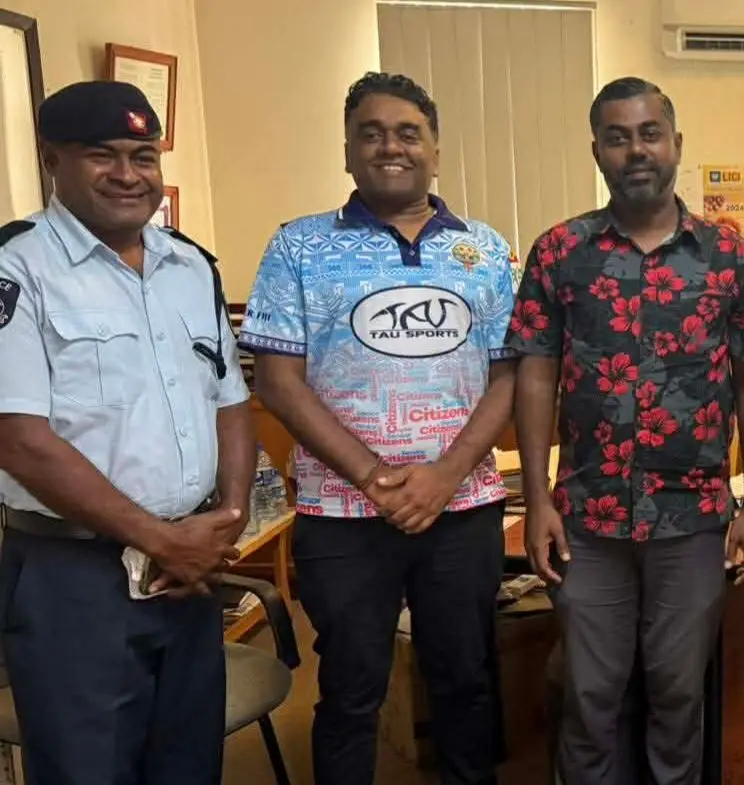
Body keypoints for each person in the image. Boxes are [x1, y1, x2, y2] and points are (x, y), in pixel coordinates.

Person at [239, 72, 517, 785]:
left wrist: (447, 474)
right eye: (371, 132)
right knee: (352, 688)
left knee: (465, 680)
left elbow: (511, 375)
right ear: (348, 149)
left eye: (406, 132)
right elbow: (277, 380)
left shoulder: (484, 250)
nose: (390, 146)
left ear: (434, 148)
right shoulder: (298, 247)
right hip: (342, 514)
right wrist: (372, 477)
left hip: (462, 507)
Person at [508, 76, 744, 785]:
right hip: (587, 519)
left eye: (649, 133)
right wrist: (537, 500)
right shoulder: (561, 251)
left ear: (676, 144)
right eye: (617, 137)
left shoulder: (728, 257)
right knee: (589, 697)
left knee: (678, 696)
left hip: (693, 522)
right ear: (597, 150)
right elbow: (535, 372)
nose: (635, 150)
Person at [0, 80, 251, 785]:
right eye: (101, 155)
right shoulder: (17, 267)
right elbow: (18, 436)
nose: (128, 174)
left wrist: (225, 520)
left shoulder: (189, 265)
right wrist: (157, 534)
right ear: (52, 160)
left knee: (188, 763)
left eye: (144, 155)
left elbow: (230, 402)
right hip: (74, 579)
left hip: (188, 573)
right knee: (89, 770)